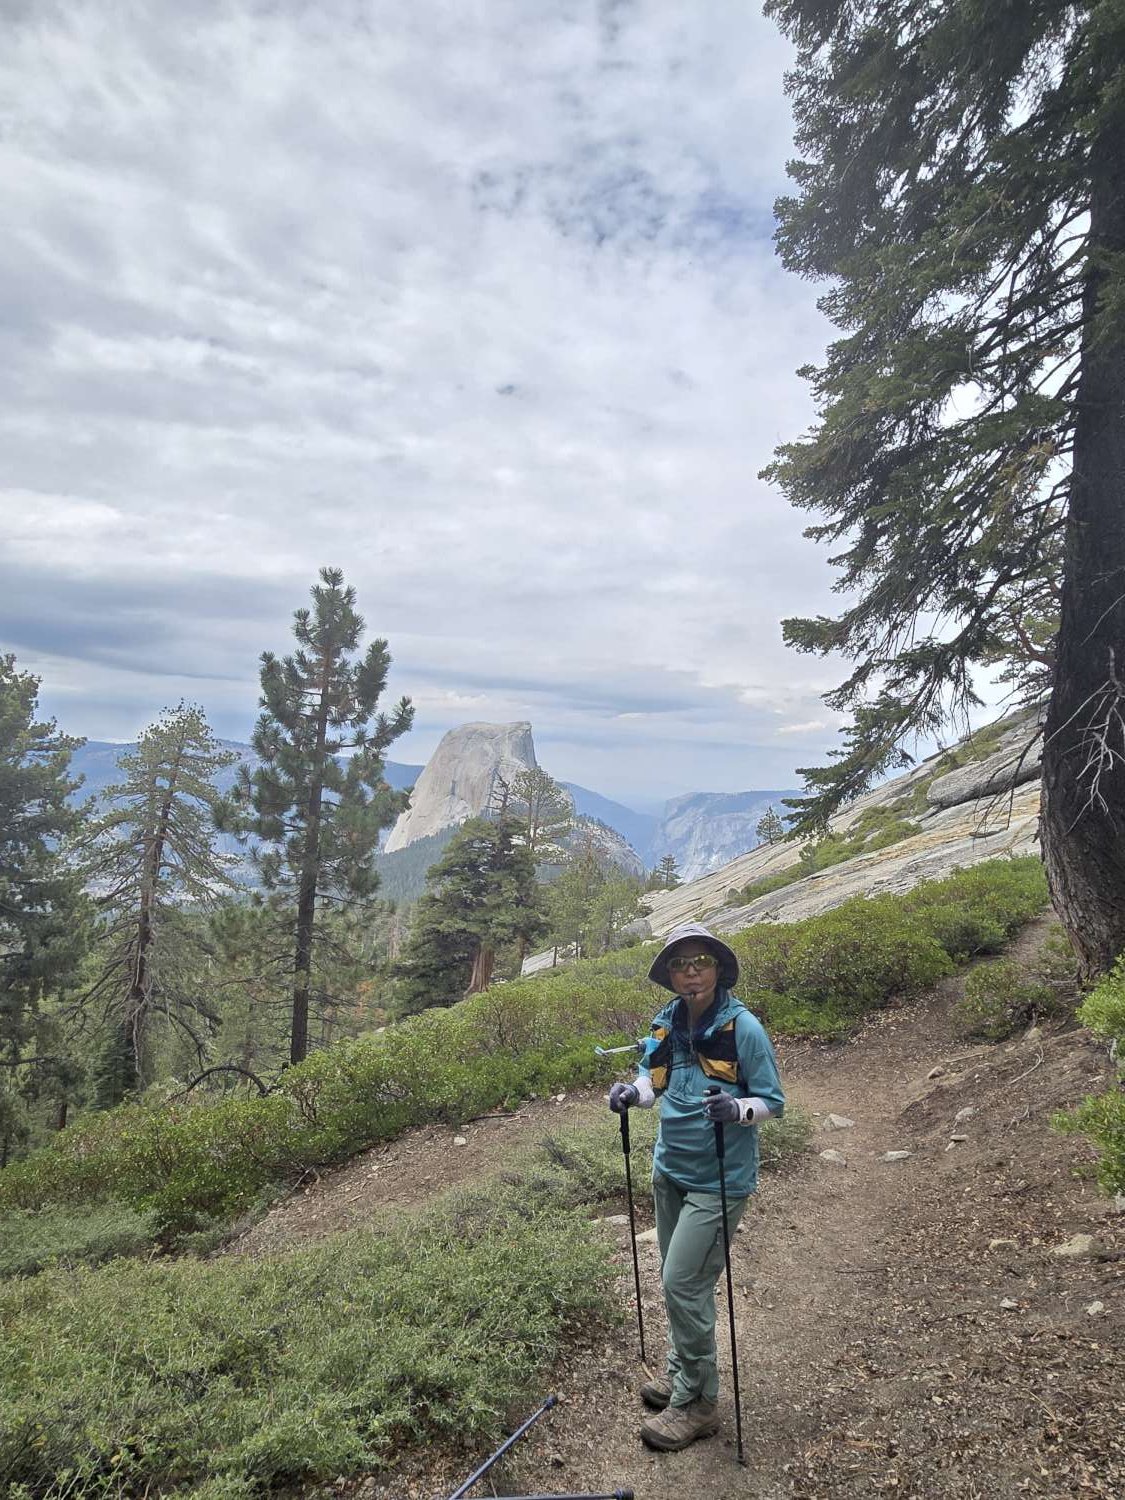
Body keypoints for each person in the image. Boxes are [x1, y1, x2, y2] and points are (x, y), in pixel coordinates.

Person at [608, 921, 785, 1453]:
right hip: (671, 1171)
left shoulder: (744, 1028)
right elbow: (652, 1079)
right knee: (678, 1280)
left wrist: (738, 1108)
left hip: (719, 1181)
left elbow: (772, 1100)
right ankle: (682, 1368)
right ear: (669, 974)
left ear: (717, 969)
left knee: (682, 1282)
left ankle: (698, 1402)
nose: (691, 972)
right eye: (680, 964)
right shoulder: (666, 1023)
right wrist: (631, 1093)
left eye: (700, 962)